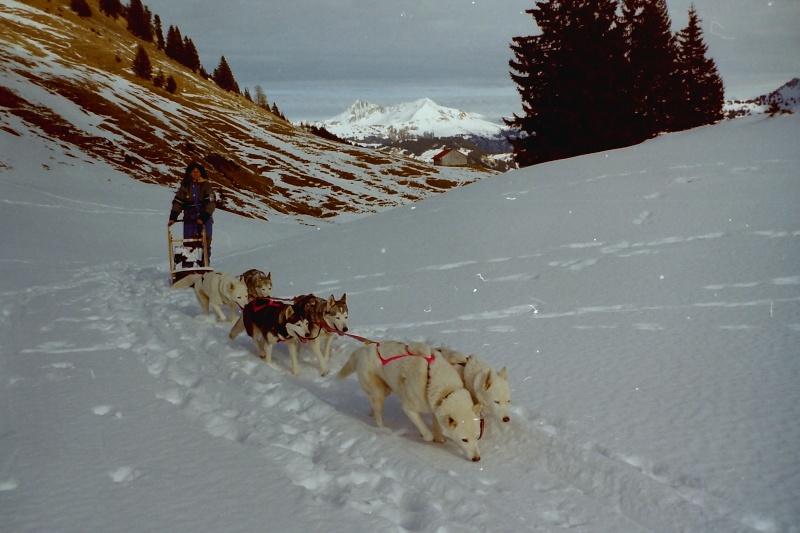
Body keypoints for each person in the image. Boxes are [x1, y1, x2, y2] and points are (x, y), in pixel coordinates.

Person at [168, 162, 216, 265]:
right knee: (189, 243)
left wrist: (204, 216)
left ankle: (204, 266)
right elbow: (178, 202)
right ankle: (188, 268)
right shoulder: (185, 187)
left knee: (205, 243)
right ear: (189, 173)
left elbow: (211, 202)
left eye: (197, 171)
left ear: (201, 173)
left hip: (205, 218)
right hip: (189, 218)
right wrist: (173, 217)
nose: (195, 174)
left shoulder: (206, 186)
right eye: (193, 172)